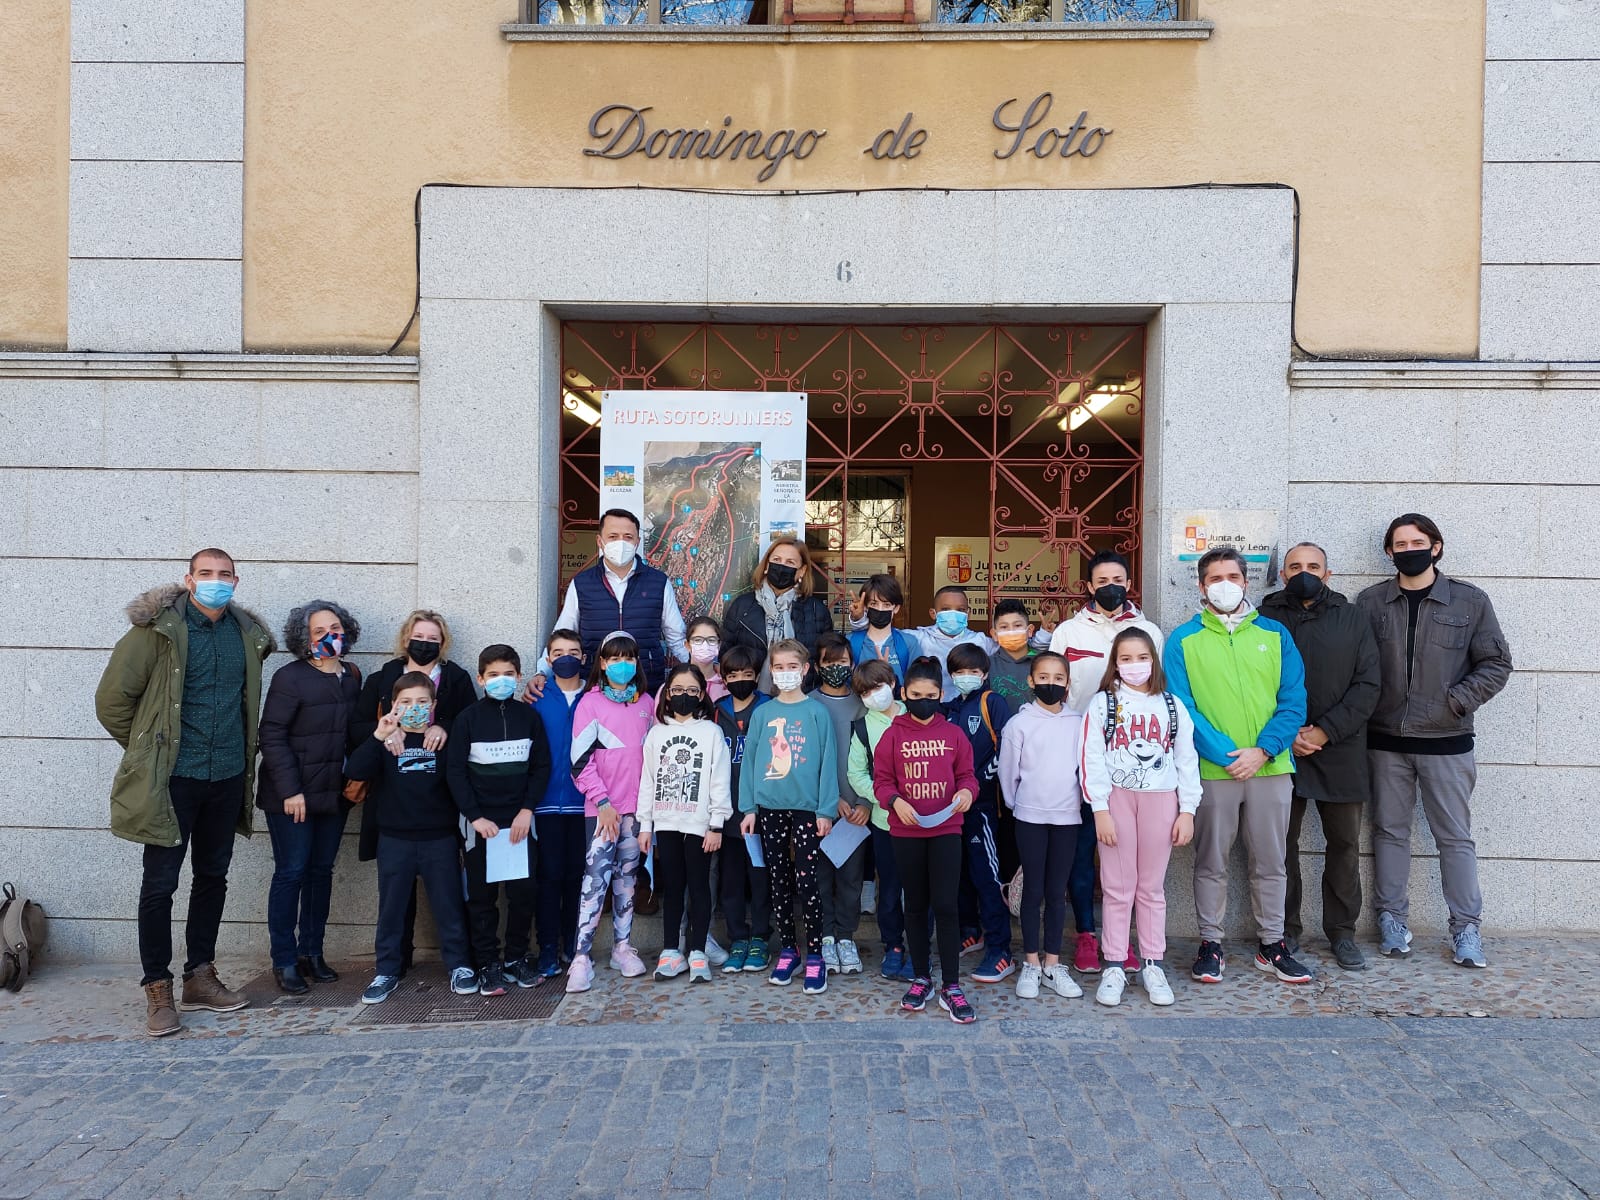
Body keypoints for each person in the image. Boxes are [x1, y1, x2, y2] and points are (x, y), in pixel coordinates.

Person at [95, 548, 274, 1037]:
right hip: (173, 779)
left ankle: (200, 976)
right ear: (189, 579)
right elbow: (113, 702)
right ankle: (158, 989)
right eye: (206, 574)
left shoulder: (247, 636)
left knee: (212, 878)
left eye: (224, 575)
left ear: (237, 581)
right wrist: (149, 750)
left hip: (227, 775)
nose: (215, 582)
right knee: (160, 886)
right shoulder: (155, 632)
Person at [1356, 514, 1511, 969]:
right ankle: (1391, 920)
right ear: (1389, 552)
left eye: (1418, 542)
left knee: (1455, 838)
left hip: (1447, 741)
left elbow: (1496, 665)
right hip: (1385, 741)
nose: (1409, 549)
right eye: (1400, 544)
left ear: (1436, 547)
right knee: (1388, 833)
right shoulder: (1371, 603)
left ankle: (1466, 928)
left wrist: (1455, 702)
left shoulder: (1469, 600)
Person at [1165, 547, 1313, 987]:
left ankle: (1273, 944)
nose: (1224, 584)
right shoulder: (1182, 640)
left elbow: (1293, 699)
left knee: (1272, 860)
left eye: (1232, 575)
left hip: (1270, 767)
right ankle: (1210, 943)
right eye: (1215, 577)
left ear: (1247, 581)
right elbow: (1181, 705)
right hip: (1215, 770)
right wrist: (1228, 753)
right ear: (1201, 585)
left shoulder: (1275, 634)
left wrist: (1263, 750)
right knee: (1211, 860)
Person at [1260, 542, 1381, 971]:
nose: (1304, 573)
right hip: (1280, 749)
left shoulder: (1352, 618)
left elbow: (1368, 684)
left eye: (1313, 566)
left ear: (1328, 574)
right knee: (1280, 845)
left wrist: (1326, 731)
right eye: (1295, 566)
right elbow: (1254, 687)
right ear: (1282, 575)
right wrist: (1287, 734)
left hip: (1341, 748)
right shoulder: (1266, 618)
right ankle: (1285, 929)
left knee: (1345, 844)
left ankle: (1342, 932)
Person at [1047, 549, 1165, 975]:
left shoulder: (1147, 629)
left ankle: (1126, 940)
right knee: (1081, 852)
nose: (1111, 585)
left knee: (1128, 857)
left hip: (1132, 759)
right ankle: (1086, 934)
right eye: (1102, 579)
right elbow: (1055, 685)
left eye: (1119, 578)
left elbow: (1158, 693)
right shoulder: (1068, 631)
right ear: (1090, 586)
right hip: (1077, 754)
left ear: (1128, 582)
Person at [351, 609, 477, 975]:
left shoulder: (455, 678)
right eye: (419, 636)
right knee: (393, 902)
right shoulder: (383, 678)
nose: (425, 643)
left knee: (448, 899)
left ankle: (459, 964)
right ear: (406, 638)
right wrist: (385, 732)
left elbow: (469, 721)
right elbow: (358, 730)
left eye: (433, 639)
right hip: (392, 817)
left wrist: (443, 728)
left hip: (438, 823)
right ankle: (391, 967)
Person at [1080, 629, 1201, 1008]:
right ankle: (1114, 964)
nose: (1135, 666)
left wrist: (1187, 810)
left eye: (1142, 657)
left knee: (1150, 888)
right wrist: (1099, 808)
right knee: (1117, 887)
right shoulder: (1103, 703)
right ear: (1115, 662)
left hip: (1161, 799)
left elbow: (1186, 759)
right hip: (1117, 799)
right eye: (1126, 659)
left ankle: (1152, 963)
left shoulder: (1171, 705)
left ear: (1154, 660)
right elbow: (1091, 757)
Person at [257, 600, 363, 996]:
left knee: (321, 872)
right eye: (319, 632)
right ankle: (284, 959)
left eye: (334, 628)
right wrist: (291, 790)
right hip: (292, 798)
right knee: (291, 871)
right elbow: (272, 736)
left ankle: (312, 952)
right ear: (305, 638)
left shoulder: (351, 676)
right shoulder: (290, 677)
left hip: (332, 794)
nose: (328, 636)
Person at [873, 656, 980, 1024]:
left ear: (940, 694)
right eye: (916, 695)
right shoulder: (892, 734)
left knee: (946, 907)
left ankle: (951, 984)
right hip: (906, 831)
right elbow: (882, 780)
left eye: (931, 695)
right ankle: (921, 977)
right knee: (915, 906)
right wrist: (894, 801)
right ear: (904, 693)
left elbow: (968, 775)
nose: (923, 701)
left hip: (946, 829)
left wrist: (967, 793)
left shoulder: (953, 734)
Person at [445, 644, 550, 996]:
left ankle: (516, 958)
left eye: (508, 674)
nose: (501, 680)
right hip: (480, 826)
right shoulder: (468, 719)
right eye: (493, 675)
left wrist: (527, 809)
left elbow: (541, 767)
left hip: (520, 823)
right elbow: (455, 772)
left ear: (519, 677)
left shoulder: (529, 718)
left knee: (523, 894)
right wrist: (475, 817)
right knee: (482, 898)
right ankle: (487, 963)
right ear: (480, 679)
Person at [737, 638, 838, 995]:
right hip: (770, 809)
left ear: (806, 669)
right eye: (778, 667)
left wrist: (826, 809)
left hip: (808, 809)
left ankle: (815, 955)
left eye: (791, 666)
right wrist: (748, 808)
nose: (785, 673)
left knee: (808, 882)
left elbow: (828, 763)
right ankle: (788, 950)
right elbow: (749, 763)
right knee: (777, 880)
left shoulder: (816, 712)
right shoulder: (763, 713)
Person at [565, 632, 656, 992]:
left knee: (626, 882)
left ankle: (622, 946)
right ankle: (581, 956)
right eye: (614, 658)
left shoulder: (646, 702)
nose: (623, 665)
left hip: (636, 813)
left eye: (629, 658)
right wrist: (602, 802)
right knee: (594, 883)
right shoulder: (590, 703)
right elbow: (578, 761)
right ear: (602, 663)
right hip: (602, 813)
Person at [997, 652, 1086, 1002]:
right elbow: (1008, 772)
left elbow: (1084, 766)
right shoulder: (1019, 724)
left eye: (1059, 678)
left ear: (1067, 684)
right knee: (1032, 890)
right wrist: (1017, 804)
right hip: (1029, 817)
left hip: (1068, 818)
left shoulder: (1078, 722)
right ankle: (1031, 962)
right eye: (1044, 677)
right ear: (1031, 681)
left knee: (1056, 891)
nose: (1052, 683)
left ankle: (1053, 962)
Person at [639, 665, 733, 983]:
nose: (683, 696)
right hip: (666, 821)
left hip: (699, 824)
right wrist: (644, 825)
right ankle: (670, 951)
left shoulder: (711, 732)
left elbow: (720, 779)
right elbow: (648, 781)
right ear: (667, 693)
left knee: (699, 885)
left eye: (691, 690)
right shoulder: (657, 733)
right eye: (677, 689)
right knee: (674, 887)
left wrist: (716, 824)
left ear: (702, 694)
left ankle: (696, 951)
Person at [546, 508, 687, 694]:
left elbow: (676, 636)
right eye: (613, 536)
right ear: (600, 541)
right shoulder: (582, 584)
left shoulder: (658, 582)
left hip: (646, 685)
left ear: (637, 542)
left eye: (628, 536)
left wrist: (704, 669)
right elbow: (563, 634)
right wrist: (542, 672)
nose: (621, 542)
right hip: (594, 685)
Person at [944, 643, 1015, 985]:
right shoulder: (948, 709)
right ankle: (970, 932)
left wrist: (975, 786)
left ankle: (1001, 949)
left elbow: (1005, 749)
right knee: (957, 872)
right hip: (949, 809)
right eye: (959, 671)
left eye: (973, 671)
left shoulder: (992, 703)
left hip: (982, 807)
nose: (967, 677)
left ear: (985, 674)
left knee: (987, 876)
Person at [846, 660, 913, 981]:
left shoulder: (917, 713)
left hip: (926, 822)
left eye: (879, 686)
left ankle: (918, 946)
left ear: (893, 682)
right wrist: (886, 799)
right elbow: (856, 773)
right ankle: (893, 945)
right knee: (889, 888)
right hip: (886, 822)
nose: (875, 694)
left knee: (921, 890)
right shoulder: (862, 727)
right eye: (866, 691)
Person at [529, 629, 590, 978]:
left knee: (577, 877)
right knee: (548, 877)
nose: (566, 657)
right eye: (558, 652)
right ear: (548, 658)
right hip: (546, 804)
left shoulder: (594, 697)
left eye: (573, 651)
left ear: (583, 658)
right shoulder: (536, 696)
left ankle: (573, 944)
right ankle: (547, 948)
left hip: (585, 804)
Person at [810, 631, 870, 975]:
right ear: (817, 666)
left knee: (850, 877)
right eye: (829, 662)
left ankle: (846, 936)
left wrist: (864, 802)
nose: (836, 668)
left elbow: (875, 757)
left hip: (857, 812)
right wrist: (828, 802)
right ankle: (825, 937)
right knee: (819, 876)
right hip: (821, 808)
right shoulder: (809, 704)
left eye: (843, 662)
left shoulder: (862, 704)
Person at [714, 642, 773, 974]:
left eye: (747, 674)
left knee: (761, 878)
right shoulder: (716, 709)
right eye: (733, 674)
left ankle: (761, 938)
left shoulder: (768, 708)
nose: (740, 679)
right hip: (727, 812)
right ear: (723, 678)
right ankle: (737, 937)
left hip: (762, 812)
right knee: (731, 880)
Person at [721, 536, 836, 693]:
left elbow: (824, 660)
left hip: (801, 699)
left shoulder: (816, 611)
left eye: (790, 562)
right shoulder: (743, 606)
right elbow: (726, 654)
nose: (782, 566)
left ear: (801, 570)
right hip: (752, 699)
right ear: (767, 564)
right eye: (777, 559)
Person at [848, 574, 919, 685]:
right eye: (874, 604)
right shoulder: (850, 641)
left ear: (896, 608)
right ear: (865, 606)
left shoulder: (909, 643)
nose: (880, 609)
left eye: (886, 605)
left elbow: (917, 683)